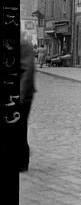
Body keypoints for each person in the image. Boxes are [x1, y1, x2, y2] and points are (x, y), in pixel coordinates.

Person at [16, 39, 36, 172]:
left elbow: (28, 71)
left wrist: (21, 96)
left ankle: (22, 163)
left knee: (20, 128)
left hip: (22, 95)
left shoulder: (23, 45)